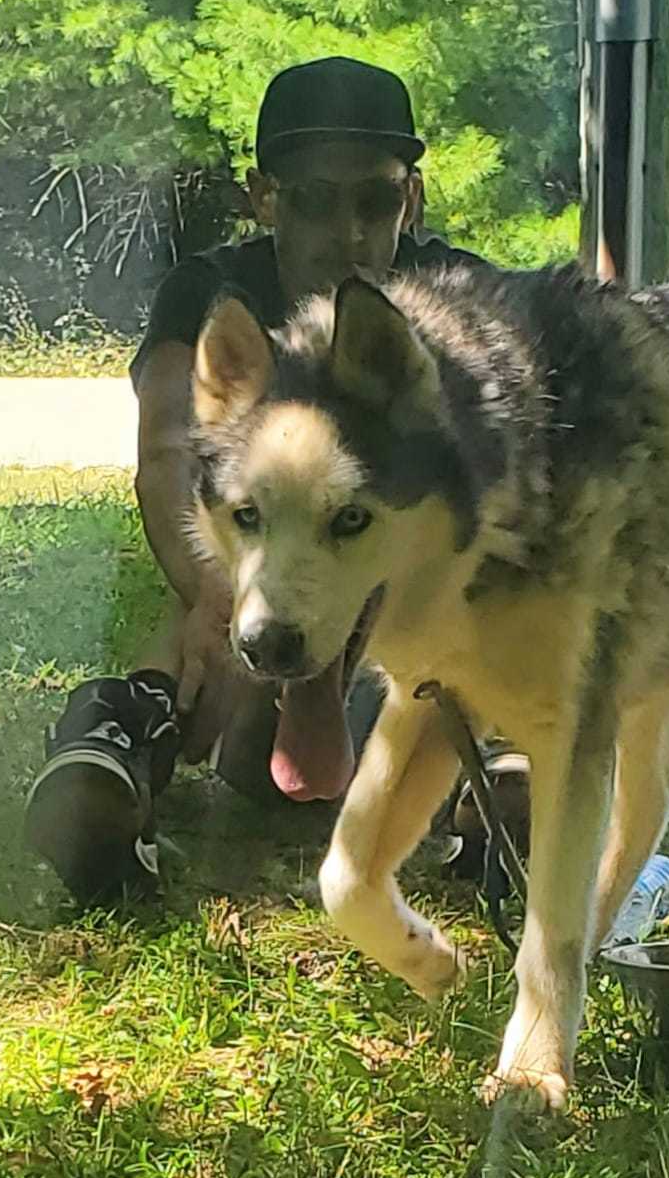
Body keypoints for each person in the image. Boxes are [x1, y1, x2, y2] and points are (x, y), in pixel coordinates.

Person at [25, 58, 493, 903]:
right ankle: (121, 744)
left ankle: (496, 774)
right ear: (263, 196)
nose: (350, 234)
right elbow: (169, 454)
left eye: (377, 201)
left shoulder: (461, 295)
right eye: (315, 200)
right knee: (212, 592)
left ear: (412, 199)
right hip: (262, 629)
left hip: (411, 625)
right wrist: (218, 600)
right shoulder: (212, 293)